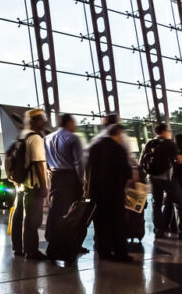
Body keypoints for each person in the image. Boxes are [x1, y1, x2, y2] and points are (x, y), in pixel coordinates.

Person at [87, 124, 133, 261]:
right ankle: (120, 253)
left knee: (100, 223)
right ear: (118, 134)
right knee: (117, 223)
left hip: (96, 192)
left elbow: (88, 168)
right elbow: (127, 172)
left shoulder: (94, 147)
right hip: (114, 192)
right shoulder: (118, 148)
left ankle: (103, 251)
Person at [10, 109, 49, 261]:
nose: (44, 122)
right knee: (33, 219)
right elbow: (38, 163)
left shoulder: (21, 136)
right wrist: (44, 185)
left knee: (19, 216)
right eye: (41, 119)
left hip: (21, 184)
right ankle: (31, 250)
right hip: (33, 185)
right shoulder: (35, 138)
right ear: (33, 121)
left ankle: (18, 247)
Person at [44, 114, 84, 243]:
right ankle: (71, 241)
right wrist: (82, 181)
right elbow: (78, 163)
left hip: (54, 177)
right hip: (69, 177)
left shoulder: (47, 138)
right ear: (68, 123)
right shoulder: (73, 138)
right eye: (74, 122)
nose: (75, 125)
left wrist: (49, 170)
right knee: (73, 210)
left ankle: (51, 237)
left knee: (55, 208)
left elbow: (44, 159)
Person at [139, 123, 182, 238]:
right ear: (164, 132)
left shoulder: (149, 143)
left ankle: (159, 231)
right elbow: (180, 160)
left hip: (153, 178)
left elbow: (141, 161)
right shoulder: (170, 144)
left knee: (156, 204)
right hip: (167, 178)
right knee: (180, 202)